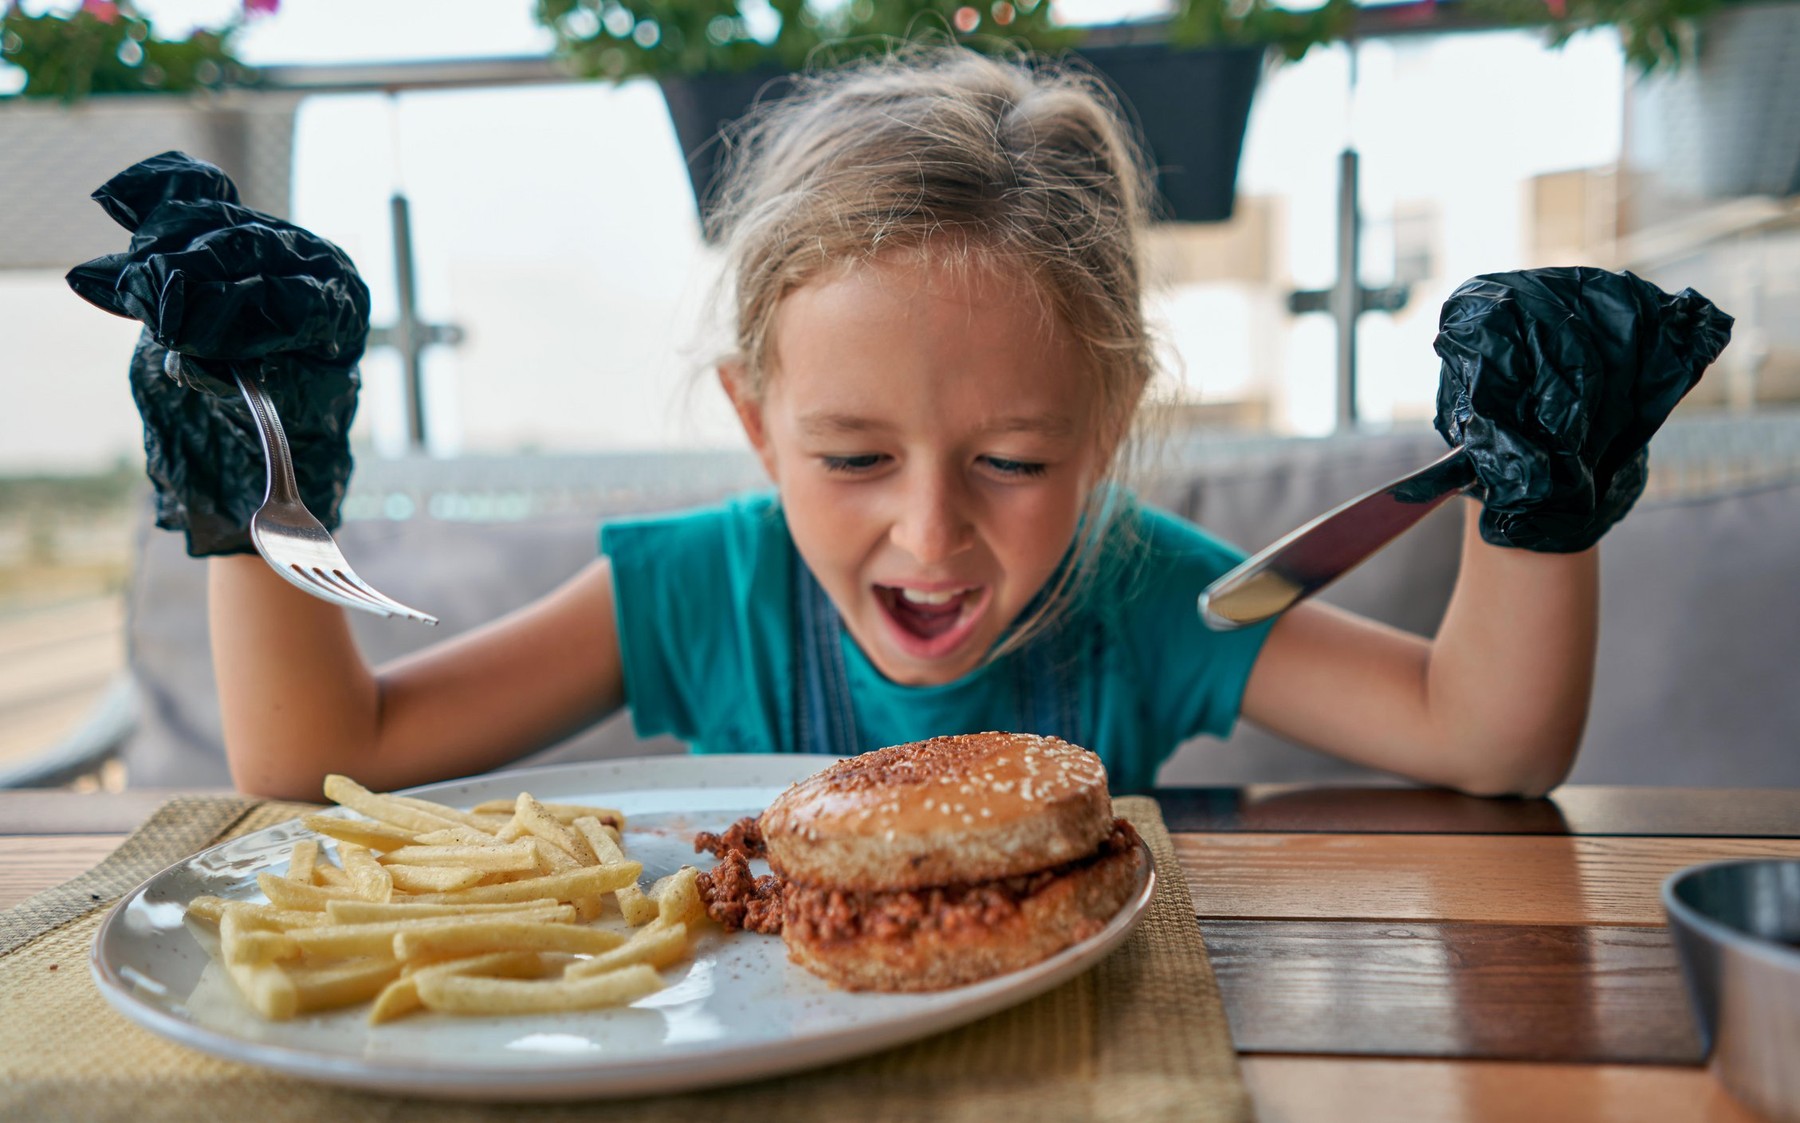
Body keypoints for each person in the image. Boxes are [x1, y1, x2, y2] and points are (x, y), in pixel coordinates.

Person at [82, 49, 1698, 802]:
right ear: (755, 422)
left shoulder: (1142, 595)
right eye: (854, 459)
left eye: (1014, 462)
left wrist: (1540, 497)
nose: (933, 534)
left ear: (1112, 416)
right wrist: (256, 488)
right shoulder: (697, 594)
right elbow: (318, 759)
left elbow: (1489, 746)